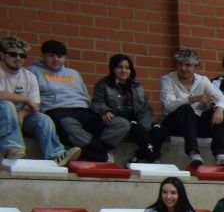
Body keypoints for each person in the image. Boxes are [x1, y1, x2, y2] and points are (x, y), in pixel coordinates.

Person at [29, 39, 127, 162]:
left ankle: (88, 152)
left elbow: (85, 97)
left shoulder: (73, 73)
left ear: (64, 58)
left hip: (82, 110)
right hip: (57, 110)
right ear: (43, 56)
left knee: (121, 124)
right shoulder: (33, 71)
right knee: (69, 126)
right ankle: (102, 155)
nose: (55, 59)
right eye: (51, 56)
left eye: (60, 56)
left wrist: (101, 111)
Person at [2, 35, 79, 164]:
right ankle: (13, 148)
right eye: (13, 54)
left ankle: (56, 155)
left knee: (43, 119)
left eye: (22, 56)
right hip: (3, 114)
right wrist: (25, 99)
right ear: (2, 54)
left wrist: (21, 114)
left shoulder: (29, 76)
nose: (18, 58)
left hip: (18, 115)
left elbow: (36, 104)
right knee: (6, 105)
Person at [160, 48, 224, 168]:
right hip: (175, 123)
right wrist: (191, 99)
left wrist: (219, 109)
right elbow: (168, 105)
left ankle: (221, 155)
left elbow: (221, 98)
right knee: (186, 109)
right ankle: (194, 153)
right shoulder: (167, 79)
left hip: (195, 124)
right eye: (180, 64)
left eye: (188, 65)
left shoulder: (202, 80)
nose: (183, 68)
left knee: (216, 111)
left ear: (196, 67)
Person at [92, 54, 164, 163]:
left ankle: (139, 157)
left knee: (160, 129)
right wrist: (105, 110)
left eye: (127, 68)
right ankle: (152, 159)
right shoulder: (103, 85)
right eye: (120, 67)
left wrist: (145, 126)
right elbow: (96, 103)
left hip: (137, 121)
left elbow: (145, 108)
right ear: (113, 69)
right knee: (137, 127)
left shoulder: (137, 86)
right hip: (118, 120)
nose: (124, 71)